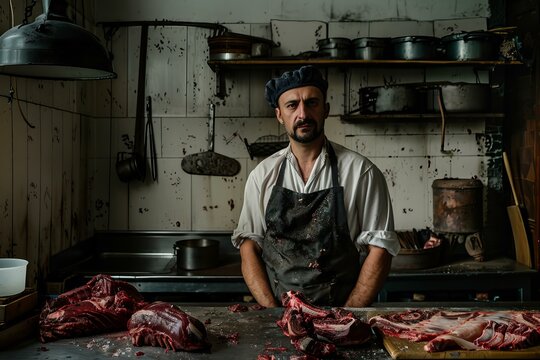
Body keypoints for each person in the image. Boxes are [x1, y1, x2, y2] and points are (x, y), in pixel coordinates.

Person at [231, 65, 399, 308]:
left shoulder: (361, 172)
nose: (303, 114)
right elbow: (248, 246)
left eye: (312, 103)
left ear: (325, 110)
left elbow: (380, 250)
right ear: (279, 115)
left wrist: (345, 318)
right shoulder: (262, 176)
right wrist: (273, 313)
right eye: (292, 105)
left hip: (343, 314)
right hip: (280, 317)